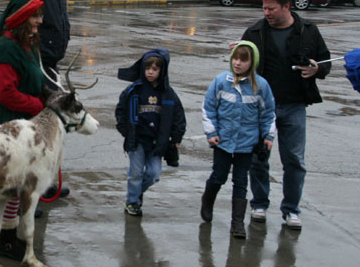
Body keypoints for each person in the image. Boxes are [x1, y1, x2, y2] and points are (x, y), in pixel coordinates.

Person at [241, 0, 331, 230]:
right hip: (261, 107)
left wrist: (317, 69)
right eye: (264, 8)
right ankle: (259, 204)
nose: (267, 13)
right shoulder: (254, 32)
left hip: (294, 105)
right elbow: (239, 67)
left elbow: (325, 61)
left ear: (287, 7)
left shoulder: (308, 32)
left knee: (294, 159)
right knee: (258, 158)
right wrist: (237, 58)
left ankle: (291, 210)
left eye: (271, 8)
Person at [0, 0, 46, 260]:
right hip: (6, 125)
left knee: (18, 185)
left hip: (22, 125)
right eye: (35, 16)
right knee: (10, 187)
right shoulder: (7, 48)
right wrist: (37, 105)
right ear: (21, 19)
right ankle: (5, 241)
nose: (39, 21)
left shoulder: (26, 44)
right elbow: (4, 92)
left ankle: (9, 237)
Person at [14, 0, 76, 199]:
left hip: (49, 65)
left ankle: (45, 180)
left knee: (50, 128)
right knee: (34, 130)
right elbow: (18, 26)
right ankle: (26, 190)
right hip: (35, 65)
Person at [200, 41, 276, 238]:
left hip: (247, 144)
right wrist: (211, 133)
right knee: (219, 176)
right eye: (235, 58)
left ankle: (237, 224)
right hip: (223, 142)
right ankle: (208, 200)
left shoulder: (261, 86)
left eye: (243, 60)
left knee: (241, 181)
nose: (238, 63)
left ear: (253, 62)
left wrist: (268, 137)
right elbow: (209, 108)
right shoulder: (220, 81)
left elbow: (268, 113)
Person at [115, 49, 186, 217]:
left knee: (154, 174)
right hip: (137, 140)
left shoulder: (168, 93)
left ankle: (137, 192)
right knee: (136, 173)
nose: (150, 72)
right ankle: (132, 202)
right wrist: (125, 130)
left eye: (155, 69)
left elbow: (178, 116)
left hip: (157, 142)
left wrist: (176, 137)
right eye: (148, 69)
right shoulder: (134, 90)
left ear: (162, 71)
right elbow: (121, 110)